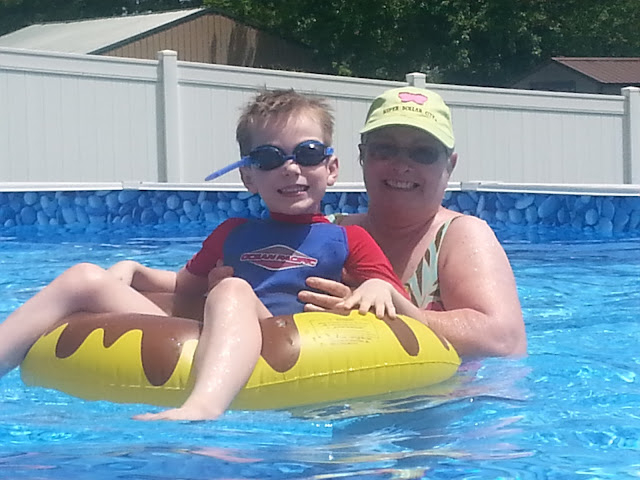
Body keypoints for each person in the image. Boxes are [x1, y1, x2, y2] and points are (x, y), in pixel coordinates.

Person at [0, 89, 412, 421]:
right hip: (218, 333)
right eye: (269, 158)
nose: (290, 168)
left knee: (232, 288)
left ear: (332, 168)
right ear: (248, 176)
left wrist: (379, 285)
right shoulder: (232, 233)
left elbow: (405, 309)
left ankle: (202, 407)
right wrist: (136, 271)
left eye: (307, 153)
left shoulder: (349, 240)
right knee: (83, 276)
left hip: (290, 342)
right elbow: (184, 286)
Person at [297, 86, 528, 358]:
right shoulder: (326, 232)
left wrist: (387, 313)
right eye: (384, 149)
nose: (401, 165)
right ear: (363, 156)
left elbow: (504, 341)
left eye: (423, 152)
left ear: (450, 165)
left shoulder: (460, 235)